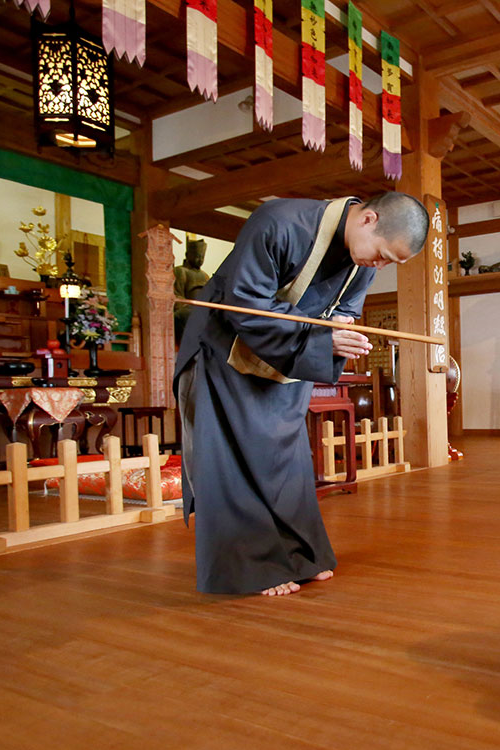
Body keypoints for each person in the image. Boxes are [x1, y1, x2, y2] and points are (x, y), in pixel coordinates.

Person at [174, 192, 429, 596]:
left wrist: (339, 332)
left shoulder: (362, 260)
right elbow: (247, 307)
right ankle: (254, 568)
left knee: (287, 458)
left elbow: (344, 310)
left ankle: (300, 554)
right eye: (382, 255)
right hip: (225, 351)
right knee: (234, 461)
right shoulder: (280, 222)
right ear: (368, 220)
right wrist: (324, 335)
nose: (378, 266)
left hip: (287, 360)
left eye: (388, 263)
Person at [173, 234, 210, 341]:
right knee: (187, 315)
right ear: (188, 254)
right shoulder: (180, 271)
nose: (200, 260)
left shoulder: (205, 275)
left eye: (202, 257)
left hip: (203, 308)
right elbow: (176, 295)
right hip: (187, 309)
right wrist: (188, 305)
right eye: (198, 256)